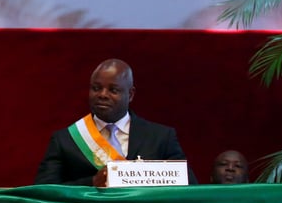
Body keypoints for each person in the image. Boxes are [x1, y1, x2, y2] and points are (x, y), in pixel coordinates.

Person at [34, 58, 193, 187]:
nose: (102, 95)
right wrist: (91, 183)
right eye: (96, 88)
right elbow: (43, 192)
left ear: (130, 94)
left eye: (113, 90)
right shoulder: (65, 139)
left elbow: (189, 188)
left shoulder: (161, 137)